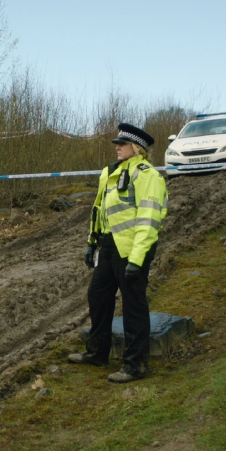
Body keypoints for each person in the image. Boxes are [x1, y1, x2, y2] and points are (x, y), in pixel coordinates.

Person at [68, 123, 168, 383]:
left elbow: (149, 219)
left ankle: (136, 365)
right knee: (98, 297)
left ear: (137, 148)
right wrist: (92, 242)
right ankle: (97, 352)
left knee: (134, 305)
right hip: (109, 246)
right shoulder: (110, 172)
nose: (117, 148)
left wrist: (136, 258)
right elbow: (99, 210)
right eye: (117, 144)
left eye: (122, 144)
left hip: (133, 249)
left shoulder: (147, 175)